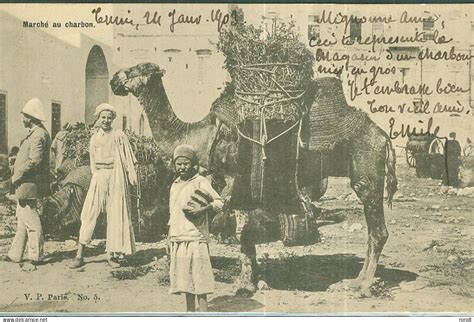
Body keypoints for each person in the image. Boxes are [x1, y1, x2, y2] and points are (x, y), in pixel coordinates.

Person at [70, 103, 138, 269]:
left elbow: (128, 158)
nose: (106, 120)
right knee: (89, 212)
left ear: (113, 119)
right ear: (98, 118)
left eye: (109, 117)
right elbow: (93, 161)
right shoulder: (95, 137)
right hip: (100, 175)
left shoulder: (118, 135)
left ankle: (111, 254)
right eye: (103, 117)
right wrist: (97, 177)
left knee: (116, 214)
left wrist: (131, 176)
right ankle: (79, 254)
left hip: (116, 176)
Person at [168, 144, 223, 312]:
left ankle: (204, 313)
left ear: (193, 164)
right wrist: (169, 236)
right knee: (185, 279)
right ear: (174, 165)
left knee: (200, 276)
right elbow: (173, 213)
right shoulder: (175, 184)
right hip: (179, 237)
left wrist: (203, 209)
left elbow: (219, 202)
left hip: (196, 237)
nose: (182, 167)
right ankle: (190, 312)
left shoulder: (200, 181)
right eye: (179, 164)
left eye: (186, 163)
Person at [1, 98, 51, 270]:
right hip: (26, 182)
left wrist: (17, 175)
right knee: (23, 219)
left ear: (30, 117)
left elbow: (34, 161)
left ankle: (36, 256)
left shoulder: (38, 135)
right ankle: (15, 254)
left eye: (24, 116)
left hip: (30, 183)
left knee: (31, 219)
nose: (22, 119)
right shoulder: (35, 133)